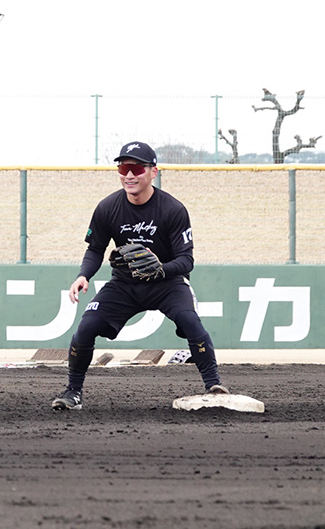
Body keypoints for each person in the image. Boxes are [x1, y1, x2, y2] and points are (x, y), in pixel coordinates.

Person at [51, 141, 227, 410]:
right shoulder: (107, 207)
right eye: (123, 168)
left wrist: (160, 268)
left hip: (167, 282)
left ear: (153, 172)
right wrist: (83, 275)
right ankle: (73, 392)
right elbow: (95, 248)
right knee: (85, 329)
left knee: (190, 321)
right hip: (125, 282)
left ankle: (214, 385)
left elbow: (186, 261)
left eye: (136, 168)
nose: (129, 175)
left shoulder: (172, 209)